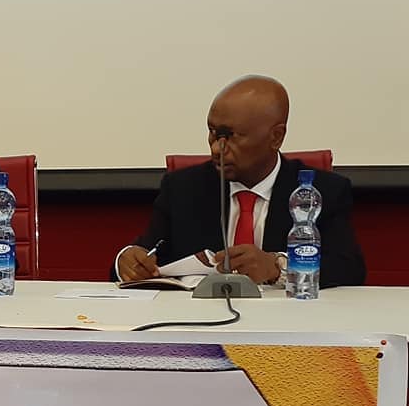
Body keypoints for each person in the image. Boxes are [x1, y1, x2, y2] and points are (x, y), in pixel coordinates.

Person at [115, 75, 365, 287]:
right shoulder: (182, 188)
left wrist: (277, 267)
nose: (217, 148)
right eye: (213, 133)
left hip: (288, 322)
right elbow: (145, 254)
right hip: (199, 321)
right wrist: (127, 261)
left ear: (276, 137)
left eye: (230, 136)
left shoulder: (322, 191)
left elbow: (348, 269)